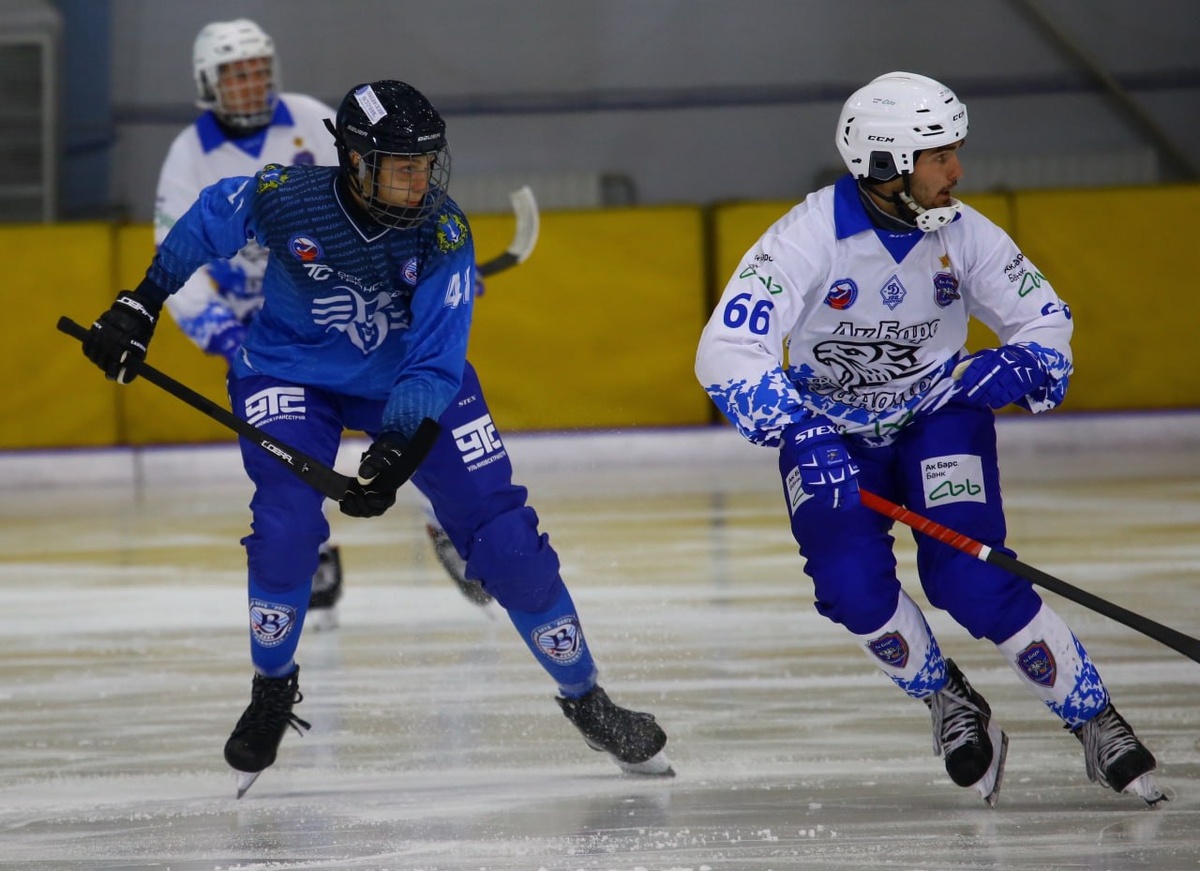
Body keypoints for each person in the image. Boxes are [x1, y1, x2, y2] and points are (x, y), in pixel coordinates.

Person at [82, 78, 671, 797]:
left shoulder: (444, 233)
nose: (421, 181)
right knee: (285, 527)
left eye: (426, 164)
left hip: (406, 383)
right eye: (403, 167)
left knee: (506, 540)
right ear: (357, 162)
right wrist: (140, 304)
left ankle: (587, 698)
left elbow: (434, 364)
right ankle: (272, 687)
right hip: (289, 373)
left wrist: (392, 452)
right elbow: (206, 219)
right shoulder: (285, 196)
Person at [695, 71, 1161, 807]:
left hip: (941, 419)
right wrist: (798, 428)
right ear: (886, 163)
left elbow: (1045, 320)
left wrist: (1024, 360)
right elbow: (726, 350)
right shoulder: (805, 237)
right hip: (831, 439)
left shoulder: (964, 232)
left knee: (969, 578)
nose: (957, 171)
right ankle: (948, 697)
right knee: (850, 587)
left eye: (954, 153)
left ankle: (1093, 718)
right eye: (940, 157)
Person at [156, 19, 490, 627]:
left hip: (352, 302)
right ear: (208, 84)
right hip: (274, 322)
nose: (252, 85)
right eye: (236, 75)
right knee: (289, 459)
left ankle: (445, 519)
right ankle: (316, 549)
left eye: (258, 71)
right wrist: (218, 332)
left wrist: (436, 284)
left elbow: (383, 195)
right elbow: (179, 240)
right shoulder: (187, 154)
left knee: (408, 412)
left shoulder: (312, 117)